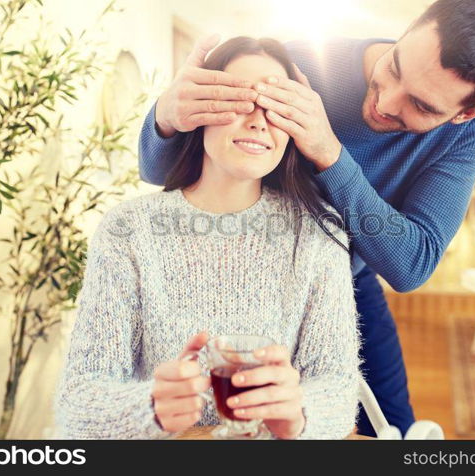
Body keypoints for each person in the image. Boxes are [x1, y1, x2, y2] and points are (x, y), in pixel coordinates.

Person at [137, 0, 475, 436]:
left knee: (391, 430)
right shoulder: (300, 62)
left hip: (347, 278)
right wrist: (167, 117)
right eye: (393, 68)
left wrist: (329, 153)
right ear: (408, 30)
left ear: (467, 113)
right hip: (246, 276)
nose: (386, 102)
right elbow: (160, 171)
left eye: (421, 106)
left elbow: (411, 265)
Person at [53, 37, 362, 440]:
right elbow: (77, 403)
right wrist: (149, 407)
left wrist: (299, 414)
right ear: (196, 108)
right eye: (238, 101)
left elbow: (338, 389)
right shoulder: (128, 230)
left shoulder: (319, 234)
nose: (258, 121)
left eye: (276, 107)